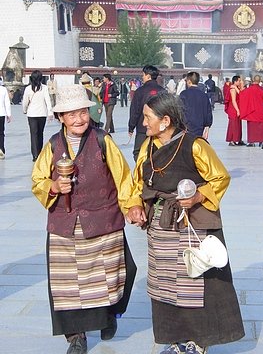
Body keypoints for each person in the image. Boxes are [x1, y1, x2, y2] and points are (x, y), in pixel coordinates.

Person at [125, 92, 245, 354]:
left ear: (165, 121)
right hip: (160, 227)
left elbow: (220, 178)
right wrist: (134, 205)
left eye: (147, 118)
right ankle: (175, 339)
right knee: (165, 284)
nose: (143, 123)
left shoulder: (195, 145)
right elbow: (137, 182)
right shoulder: (148, 146)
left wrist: (199, 195)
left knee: (195, 281)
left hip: (192, 224)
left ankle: (199, 342)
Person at [31, 83, 137, 354]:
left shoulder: (103, 140)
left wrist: (132, 206)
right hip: (64, 225)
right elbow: (38, 179)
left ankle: (108, 315)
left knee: (110, 276)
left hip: (103, 220)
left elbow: (123, 177)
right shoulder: (53, 145)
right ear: (60, 118)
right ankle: (76, 336)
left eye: (83, 113)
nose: (79, 119)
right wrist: (53, 186)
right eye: (71, 114)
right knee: (67, 284)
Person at [128, 65, 164, 162]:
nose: (142, 77)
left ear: (148, 76)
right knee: (158, 152)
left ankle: (144, 171)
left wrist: (131, 127)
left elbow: (135, 111)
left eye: (143, 75)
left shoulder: (140, 91)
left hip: (143, 127)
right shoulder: (163, 91)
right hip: (159, 128)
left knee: (138, 152)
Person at [22, 70, 53, 161]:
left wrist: (24, 110)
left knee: (33, 134)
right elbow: (48, 101)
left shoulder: (28, 89)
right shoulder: (44, 88)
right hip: (42, 114)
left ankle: (35, 154)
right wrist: (50, 113)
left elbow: (25, 102)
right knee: (40, 133)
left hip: (31, 114)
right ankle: (39, 153)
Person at [179, 72, 213, 140]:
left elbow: (179, 110)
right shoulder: (204, 95)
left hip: (186, 127)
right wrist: (207, 127)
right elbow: (208, 112)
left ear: (189, 81)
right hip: (199, 127)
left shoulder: (184, 94)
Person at [239, 75, 263, 147]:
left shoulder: (249, 89)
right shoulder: (262, 89)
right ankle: (262, 140)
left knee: (251, 127)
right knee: (260, 126)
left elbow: (241, 94)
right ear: (260, 81)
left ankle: (252, 142)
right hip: (260, 110)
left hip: (251, 111)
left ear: (253, 80)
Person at [224, 75, 245, 146]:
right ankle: (232, 140)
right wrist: (237, 110)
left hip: (237, 108)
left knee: (238, 124)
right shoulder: (232, 89)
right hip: (233, 109)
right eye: (239, 81)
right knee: (233, 125)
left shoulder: (235, 88)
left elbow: (242, 94)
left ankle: (238, 139)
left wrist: (239, 86)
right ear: (235, 81)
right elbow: (233, 101)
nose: (240, 82)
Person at [0, 83, 11, 159]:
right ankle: (1, 149)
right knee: (1, 133)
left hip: (2, 113)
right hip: (1, 113)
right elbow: (7, 102)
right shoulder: (3, 89)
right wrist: (9, 114)